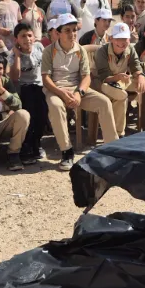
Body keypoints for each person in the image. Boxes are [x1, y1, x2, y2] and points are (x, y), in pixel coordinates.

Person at [41, 13, 118, 170]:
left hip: (77, 88)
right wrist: (62, 93)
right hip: (56, 89)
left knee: (104, 102)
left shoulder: (80, 50)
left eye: (74, 30)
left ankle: (112, 149)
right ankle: (66, 151)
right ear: (58, 33)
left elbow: (86, 77)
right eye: (67, 30)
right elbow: (46, 79)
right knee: (55, 106)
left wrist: (79, 93)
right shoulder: (49, 51)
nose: (72, 34)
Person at [92, 22, 145, 137]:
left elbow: (135, 66)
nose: (122, 42)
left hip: (121, 81)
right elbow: (103, 76)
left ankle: (119, 132)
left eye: (125, 39)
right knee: (121, 95)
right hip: (102, 83)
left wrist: (141, 76)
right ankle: (119, 133)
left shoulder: (130, 49)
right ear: (111, 38)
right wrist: (117, 77)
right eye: (119, 39)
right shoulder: (102, 52)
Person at [8, 22, 48, 165]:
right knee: (30, 109)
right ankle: (26, 146)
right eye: (23, 36)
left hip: (40, 85)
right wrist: (18, 56)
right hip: (24, 87)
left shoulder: (39, 47)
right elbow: (14, 77)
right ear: (16, 39)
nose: (27, 39)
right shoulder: (12, 55)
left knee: (42, 114)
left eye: (29, 35)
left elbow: (46, 67)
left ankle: (37, 143)